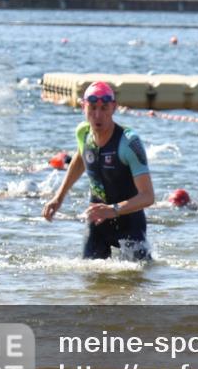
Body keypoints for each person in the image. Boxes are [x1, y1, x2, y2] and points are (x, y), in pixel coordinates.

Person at [42, 82, 155, 261]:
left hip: (130, 222)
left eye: (104, 108)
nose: (97, 115)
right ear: (83, 107)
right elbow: (80, 159)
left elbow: (148, 196)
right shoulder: (83, 133)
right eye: (92, 108)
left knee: (136, 281)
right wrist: (59, 197)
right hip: (97, 220)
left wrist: (112, 210)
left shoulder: (129, 142)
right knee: (91, 279)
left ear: (114, 108)